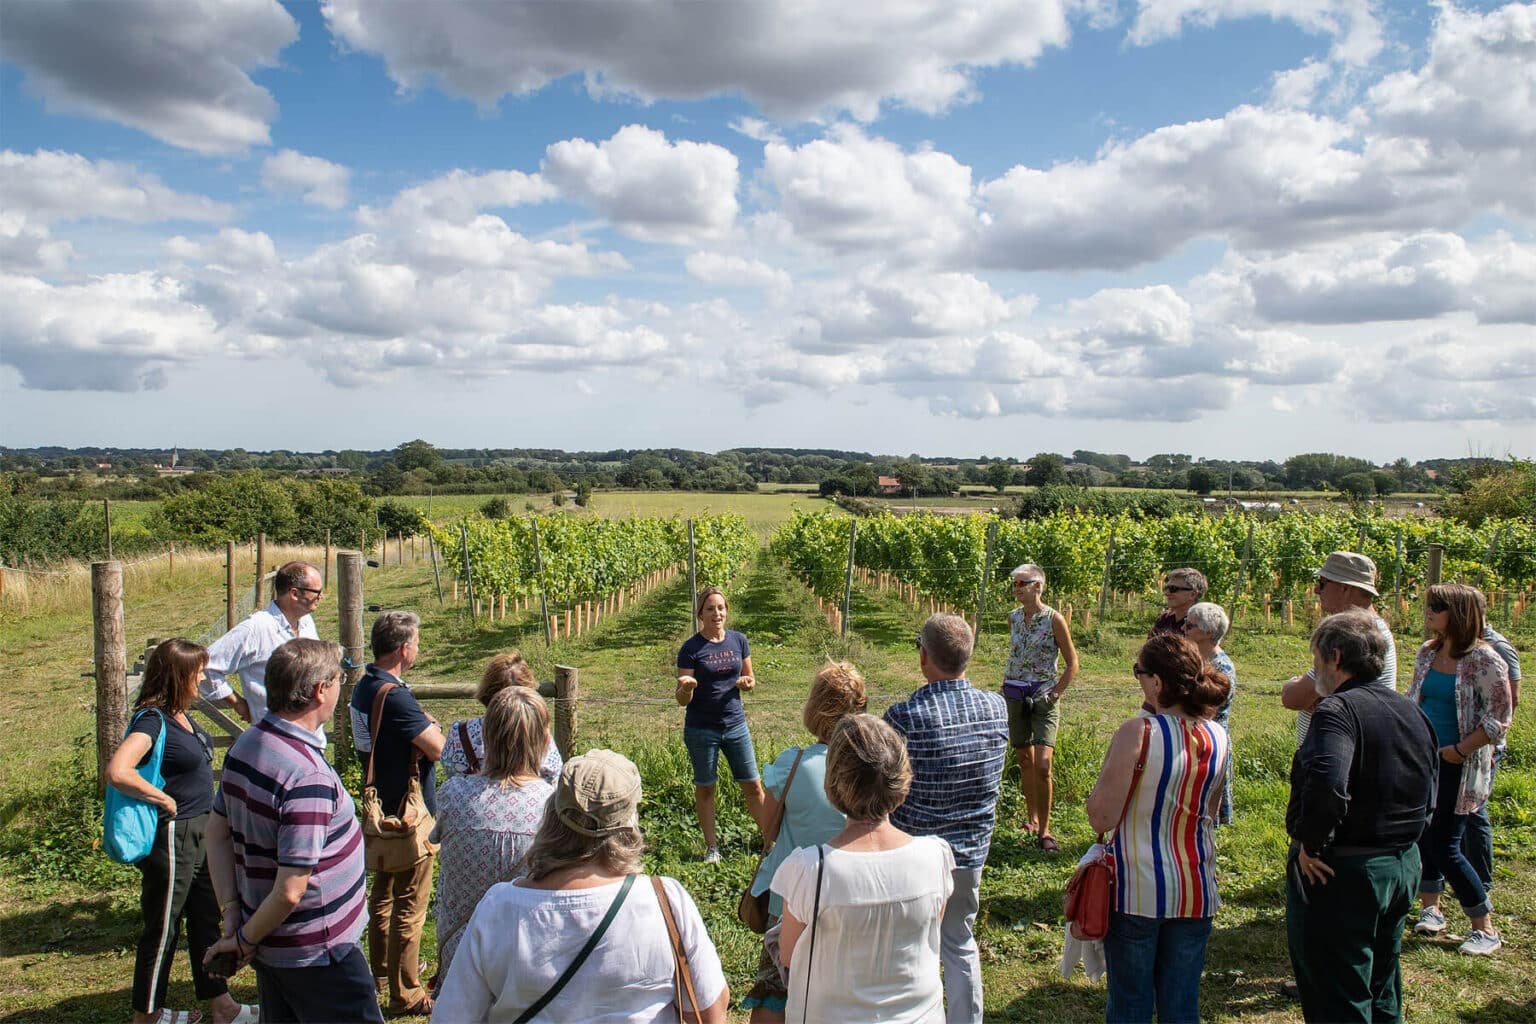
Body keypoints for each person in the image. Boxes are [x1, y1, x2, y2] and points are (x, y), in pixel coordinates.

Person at [431, 749, 730, 1023]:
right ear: (630, 824)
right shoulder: (665, 900)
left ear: (552, 814)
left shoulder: (499, 907)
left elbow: (453, 1016)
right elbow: (709, 1011)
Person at [203, 638, 382, 1024]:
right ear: (321, 691)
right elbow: (290, 890)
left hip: (273, 945)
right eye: (337, 680)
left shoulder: (246, 744)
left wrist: (235, 917)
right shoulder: (306, 775)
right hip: (319, 952)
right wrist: (245, 938)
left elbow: (216, 832)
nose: (339, 688)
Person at [1285, 610, 1437, 1023]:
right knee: (1383, 983)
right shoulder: (1410, 709)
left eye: (1315, 657)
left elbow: (1329, 782)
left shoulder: (1336, 711)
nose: (1313, 666)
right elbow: (1430, 783)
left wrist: (1309, 841)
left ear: (1334, 656)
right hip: (1401, 862)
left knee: (1338, 993)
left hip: (1342, 871)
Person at [105, 638, 255, 1024]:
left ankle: (221, 1005)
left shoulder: (183, 715)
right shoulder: (152, 719)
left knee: (206, 918)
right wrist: (162, 800)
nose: (203, 679)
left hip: (201, 831)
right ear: (177, 676)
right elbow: (118, 770)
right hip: (173, 836)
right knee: (163, 927)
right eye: (198, 672)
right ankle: (147, 1016)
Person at [773, 714, 955, 1024]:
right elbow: (929, 932)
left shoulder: (808, 870)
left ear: (834, 782)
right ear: (901, 779)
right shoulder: (936, 858)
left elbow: (789, 955)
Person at [1087, 633, 1230, 1024]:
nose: (1138, 680)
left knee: (1131, 1002)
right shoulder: (1219, 737)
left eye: (1140, 673)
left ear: (1157, 682)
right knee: (1181, 1001)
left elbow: (1102, 818)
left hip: (1137, 889)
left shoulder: (1139, 732)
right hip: (1196, 887)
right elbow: (1212, 812)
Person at [884, 613, 1008, 1024]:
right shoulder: (996, 707)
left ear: (924, 657)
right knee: (959, 942)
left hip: (916, 854)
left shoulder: (904, 717)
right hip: (971, 853)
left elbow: (889, 787)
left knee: (909, 947)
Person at [743, 662, 868, 1023]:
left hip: (789, 899)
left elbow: (769, 830)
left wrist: (753, 792)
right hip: (848, 896)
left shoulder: (792, 764)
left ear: (814, 708)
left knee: (773, 991)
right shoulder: (866, 767)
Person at [1408, 584, 1512, 956]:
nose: (1429, 611)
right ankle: (1431, 909)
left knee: (1447, 845)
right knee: (1424, 834)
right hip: (1426, 759)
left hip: (1459, 764)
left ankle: (1484, 926)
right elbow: (1413, 698)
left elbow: (1499, 718)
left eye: (1438, 606)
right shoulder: (1428, 652)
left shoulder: (1485, 660)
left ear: (1460, 614)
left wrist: (1460, 750)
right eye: (1429, 605)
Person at [349, 610, 444, 1016]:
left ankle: (383, 971)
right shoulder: (398, 696)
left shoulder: (363, 687)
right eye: (417, 642)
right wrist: (429, 727)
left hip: (379, 809)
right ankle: (406, 992)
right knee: (411, 902)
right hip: (409, 815)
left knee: (383, 896)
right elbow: (439, 747)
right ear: (404, 648)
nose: (418, 648)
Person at [430, 686, 556, 981]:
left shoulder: (453, 793)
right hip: (528, 951)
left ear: (487, 735)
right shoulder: (553, 805)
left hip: (462, 948)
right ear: (542, 740)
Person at [676, 586, 769, 863]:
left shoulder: (739, 641)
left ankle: (769, 839)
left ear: (726, 611)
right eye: (710, 608)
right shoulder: (691, 649)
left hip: (735, 725)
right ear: (700, 614)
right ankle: (712, 847)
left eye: (720, 608)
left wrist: (747, 683)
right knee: (706, 787)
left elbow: (749, 679)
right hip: (701, 728)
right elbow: (681, 700)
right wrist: (687, 688)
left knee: (753, 785)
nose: (717, 613)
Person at [1001, 564, 1078, 852]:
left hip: (1044, 697)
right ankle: (1031, 817)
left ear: (1039, 586)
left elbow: (1073, 663)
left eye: (1023, 583)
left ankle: (1045, 831)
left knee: (1044, 764)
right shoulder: (1013, 618)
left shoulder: (1054, 619)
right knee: (1024, 759)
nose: (1017, 588)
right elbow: (1015, 656)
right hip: (1015, 694)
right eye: (1015, 583)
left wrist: (1056, 693)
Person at [1281, 552, 1397, 743]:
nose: (1317, 590)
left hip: (1334, 754)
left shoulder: (1352, 634)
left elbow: (1293, 698)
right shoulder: (1373, 629)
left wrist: (1295, 686)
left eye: (1323, 582)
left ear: (1345, 588)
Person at [201, 561, 323, 723]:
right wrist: (239, 704)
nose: (321, 596)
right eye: (316, 591)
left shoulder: (306, 622)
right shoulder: (255, 628)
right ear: (294, 593)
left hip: (310, 735)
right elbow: (205, 666)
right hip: (274, 735)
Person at [1462, 606, 1521, 890]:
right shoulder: (1455, 646)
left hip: (1486, 745)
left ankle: (1480, 880)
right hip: (1460, 742)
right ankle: (1460, 870)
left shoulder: (1497, 648)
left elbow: (1510, 701)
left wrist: (1492, 746)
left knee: (1475, 811)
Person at [441, 651, 562, 785]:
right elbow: (553, 777)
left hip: (471, 802)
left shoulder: (460, 733)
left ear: (487, 690)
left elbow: (451, 773)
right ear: (529, 694)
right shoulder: (539, 734)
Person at [1182, 601, 1236, 825]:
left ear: (1208, 633)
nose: (1184, 628)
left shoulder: (1221, 667)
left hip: (1208, 738)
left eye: (1190, 625)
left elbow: (1212, 707)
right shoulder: (1196, 659)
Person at [1150, 568, 1206, 636]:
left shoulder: (1199, 625)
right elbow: (1150, 646)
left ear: (1192, 594)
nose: (1166, 593)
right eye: (1166, 588)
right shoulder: (1164, 620)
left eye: (1173, 589)